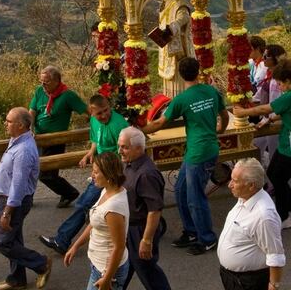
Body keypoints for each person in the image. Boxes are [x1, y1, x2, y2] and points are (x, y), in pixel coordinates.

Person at [144, 56, 229, 254]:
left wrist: (139, 129)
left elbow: (158, 123)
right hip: (202, 149)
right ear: (198, 71)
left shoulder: (181, 99)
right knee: (181, 190)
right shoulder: (211, 91)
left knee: (195, 198)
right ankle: (191, 231)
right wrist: (220, 130)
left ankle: (207, 238)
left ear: (180, 76)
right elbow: (224, 116)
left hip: (199, 154)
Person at [40, 94, 129, 254]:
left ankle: (62, 240)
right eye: (99, 113)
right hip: (100, 169)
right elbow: (97, 140)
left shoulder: (120, 125)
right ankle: (64, 239)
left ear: (109, 106)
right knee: (88, 206)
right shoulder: (94, 121)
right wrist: (90, 153)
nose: (104, 115)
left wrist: (110, 176)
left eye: (106, 111)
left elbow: (124, 155)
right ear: (92, 113)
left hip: (110, 173)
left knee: (84, 204)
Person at [235, 58, 291, 228]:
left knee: (277, 178)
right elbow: (281, 111)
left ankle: (283, 217)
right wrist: (269, 119)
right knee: (274, 175)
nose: (278, 86)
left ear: (287, 80)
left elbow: (266, 108)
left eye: (279, 83)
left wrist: (243, 112)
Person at [0, 107, 52, 290]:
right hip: (7, 198)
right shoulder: (17, 140)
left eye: (9, 121)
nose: (5, 123)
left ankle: (41, 264)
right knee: (14, 239)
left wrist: (7, 212)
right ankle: (17, 279)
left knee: (5, 243)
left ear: (21, 125)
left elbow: (18, 184)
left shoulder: (24, 150)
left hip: (13, 201)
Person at [63, 152, 130, 290]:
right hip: (99, 266)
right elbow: (95, 223)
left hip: (107, 271)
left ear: (109, 175)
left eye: (96, 172)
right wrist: (76, 245)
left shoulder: (113, 208)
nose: (92, 175)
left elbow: (119, 246)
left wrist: (106, 279)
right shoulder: (106, 190)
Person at [217, 158, 285, 290]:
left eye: (235, 181)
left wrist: (273, 285)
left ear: (251, 185)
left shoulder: (264, 216)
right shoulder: (245, 196)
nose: (229, 185)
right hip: (233, 277)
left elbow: (275, 254)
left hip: (248, 282)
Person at [118, 127, 171, 290]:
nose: (120, 151)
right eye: (119, 146)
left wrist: (146, 240)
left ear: (139, 148)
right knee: (122, 268)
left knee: (147, 271)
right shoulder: (129, 164)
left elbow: (154, 210)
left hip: (140, 230)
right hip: (128, 228)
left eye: (125, 147)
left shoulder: (147, 174)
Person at [28, 65, 89, 207]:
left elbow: (87, 110)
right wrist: (29, 129)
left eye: (46, 82)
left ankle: (69, 193)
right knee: (30, 168)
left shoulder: (68, 96)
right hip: (37, 139)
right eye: (41, 81)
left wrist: (95, 122)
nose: (43, 85)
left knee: (46, 174)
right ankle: (26, 198)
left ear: (57, 81)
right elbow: (32, 111)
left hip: (55, 140)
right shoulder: (39, 91)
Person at [157, 0, 195, 98]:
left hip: (178, 53)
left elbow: (183, 17)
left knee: (179, 83)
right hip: (166, 46)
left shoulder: (178, 2)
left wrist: (172, 27)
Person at [251, 45, 286, 169]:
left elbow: (277, 102)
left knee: (273, 153)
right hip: (266, 118)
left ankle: (273, 185)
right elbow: (259, 96)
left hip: (274, 119)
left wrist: (270, 118)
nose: (263, 58)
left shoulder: (279, 79)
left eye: (266, 56)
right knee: (255, 146)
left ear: (275, 58)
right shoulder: (270, 75)